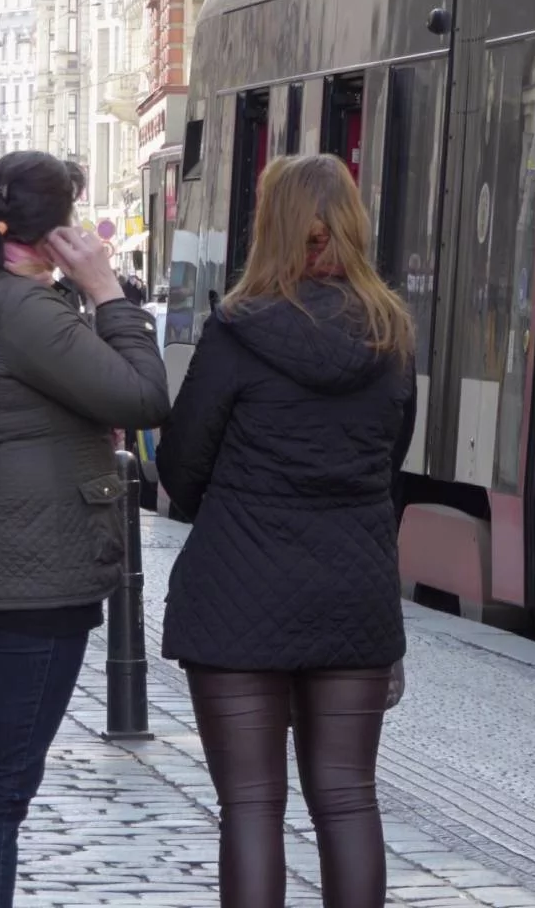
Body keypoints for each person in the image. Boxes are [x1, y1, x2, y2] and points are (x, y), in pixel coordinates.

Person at [0, 150, 171, 908]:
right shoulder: (23, 310)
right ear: (59, 230)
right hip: (33, 574)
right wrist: (107, 293)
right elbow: (145, 396)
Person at [156, 153, 416, 908]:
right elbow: (390, 462)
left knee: (251, 806)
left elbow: (181, 468)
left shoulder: (238, 331)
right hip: (352, 595)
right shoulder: (392, 334)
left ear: (268, 228)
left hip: (238, 596)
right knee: (347, 799)